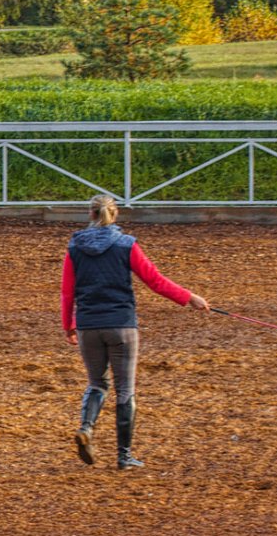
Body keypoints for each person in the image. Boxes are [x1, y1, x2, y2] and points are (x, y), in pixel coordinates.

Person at [61, 194, 209, 469]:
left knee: (96, 383)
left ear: (91, 215)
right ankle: (124, 456)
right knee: (125, 390)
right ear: (114, 215)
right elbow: (154, 280)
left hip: (88, 325)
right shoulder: (126, 245)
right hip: (121, 325)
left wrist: (68, 324)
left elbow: (67, 290)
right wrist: (189, 297)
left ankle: (87, 427)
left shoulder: (75, 247)